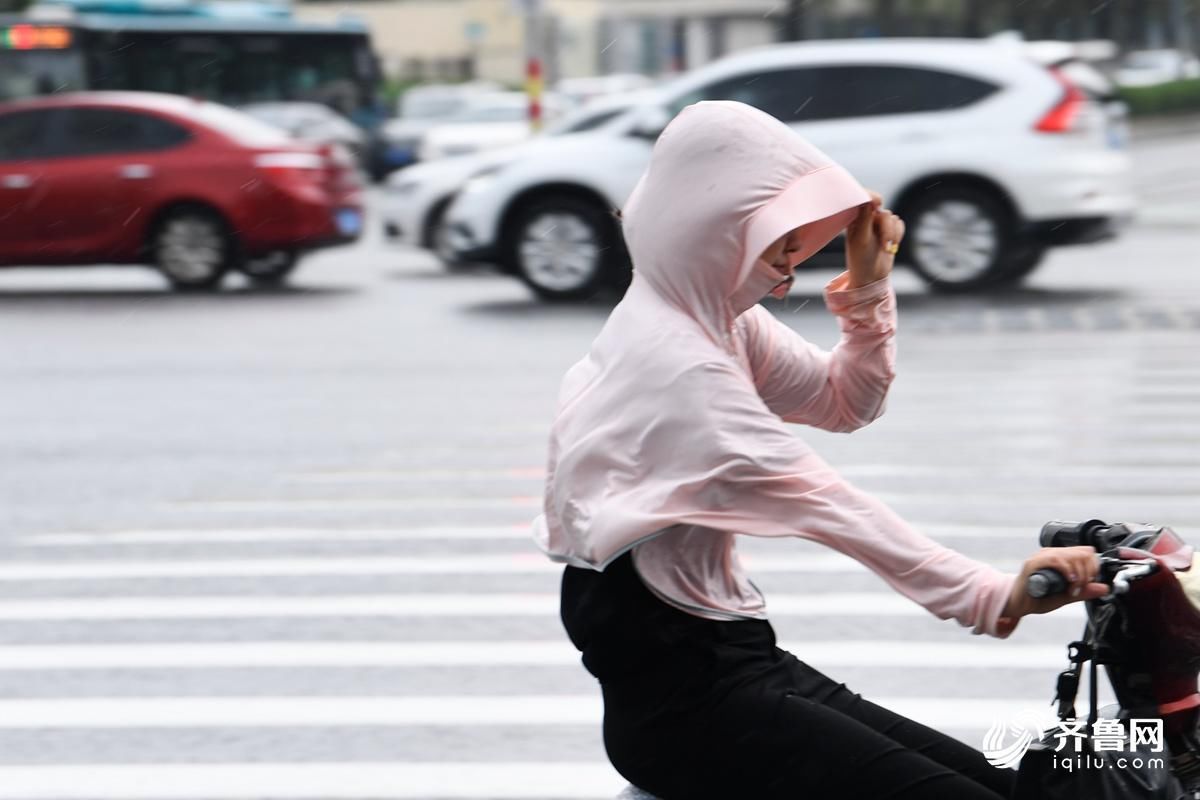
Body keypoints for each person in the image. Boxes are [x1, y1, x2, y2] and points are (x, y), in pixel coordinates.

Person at [530, 101, 1107, 799]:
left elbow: (844, 403)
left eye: (796, 253)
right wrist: (990, 595)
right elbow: (827, 501)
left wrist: (868, 289)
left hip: (739, 665)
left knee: (1010, 789)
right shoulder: (680, 368)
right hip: (691, 711)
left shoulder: (712, 322)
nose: (786, 278)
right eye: (777, 252)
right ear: (709, 235)